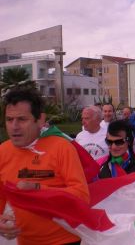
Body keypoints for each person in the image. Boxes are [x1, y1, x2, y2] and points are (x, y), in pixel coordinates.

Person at [0, 88, 89, 244]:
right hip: (22, 241)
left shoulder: (62, 147)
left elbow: (82, 196)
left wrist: (39, 189)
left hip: (63, 240)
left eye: (22, 119)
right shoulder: (3, 151)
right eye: (9, 119)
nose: (14, 126)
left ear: (40, 120)